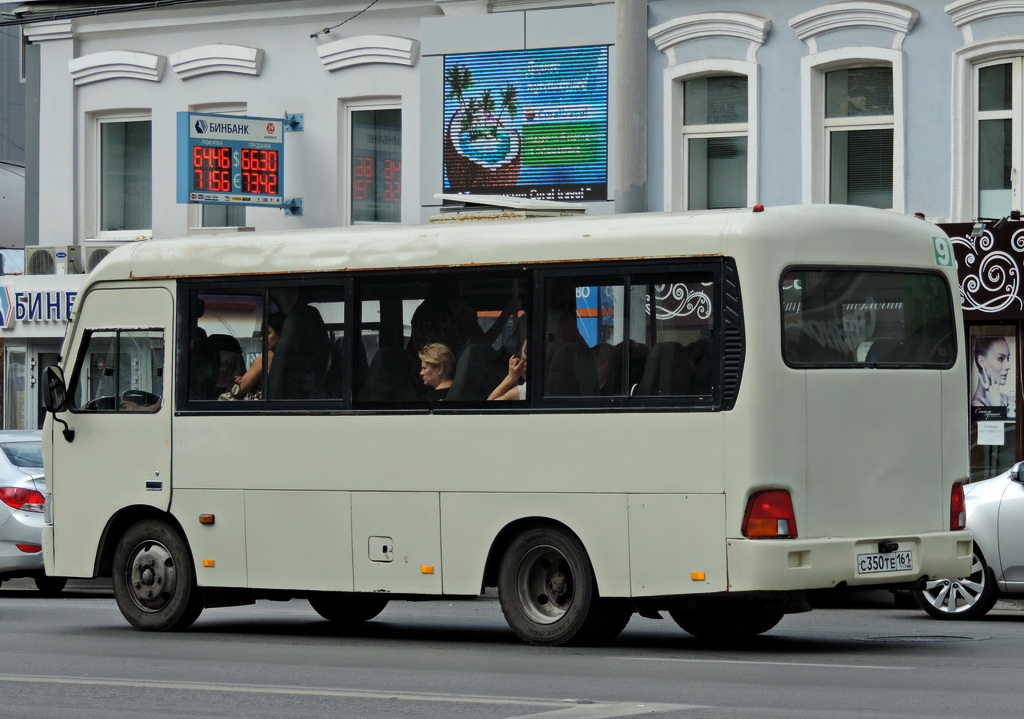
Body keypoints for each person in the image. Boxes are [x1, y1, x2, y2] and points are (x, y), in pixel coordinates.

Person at [221, 312, 285, 400]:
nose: (262, 339)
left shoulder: (267, 356)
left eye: (268, 333)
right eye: (262, 334)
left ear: (282, 334)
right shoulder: (296, 359)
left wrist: (242, 383)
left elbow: (241, 389)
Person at [972, 336, 1016, 412]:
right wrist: (995, 408)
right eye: (1000, 358)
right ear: (982, 362)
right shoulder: (975, 406)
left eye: (1008, 359)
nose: (1008, 366)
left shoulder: (1007, 399)